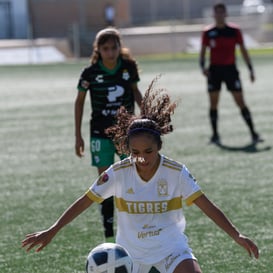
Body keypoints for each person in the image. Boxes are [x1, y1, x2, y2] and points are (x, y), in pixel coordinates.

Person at [22, 78, 259, 273]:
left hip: (171, 249)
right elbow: (86, 200)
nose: (142, 158)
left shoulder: (176, 172)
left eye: (148, 151)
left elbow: (207, 206)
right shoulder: (118, 172)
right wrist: (53, 229)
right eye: (135, 152)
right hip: (129, 254)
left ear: (159, 147)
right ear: (127, 149)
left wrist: (236, 234)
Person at [75, 27, 142, 242]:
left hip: (126, 133)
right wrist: (78, 135)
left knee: (132, 178)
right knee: (105, 182)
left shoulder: (128, 67)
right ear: (99, 50)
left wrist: (147, 117)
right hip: (99, 133)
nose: (111, 52)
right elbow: (79, 103)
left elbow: (136, 92)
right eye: (106, 49)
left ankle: (135, 227)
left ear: (119, 47)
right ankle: (108, 233)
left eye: (114, 48)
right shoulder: (90, 73)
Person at [199, 2, 262, 145]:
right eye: (217, 12)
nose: (219, 15)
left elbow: (243, 50)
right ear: (213, 15)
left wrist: (250, 69)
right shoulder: (208, 32)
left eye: (222, 12)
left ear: (226, 14)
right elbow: (202, 53)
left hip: (231, 71)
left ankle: (254, 134)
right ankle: (215, 136)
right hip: (214, 71)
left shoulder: (234, 30)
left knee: (240, 101)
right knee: (213, 103)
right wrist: (202, 67)